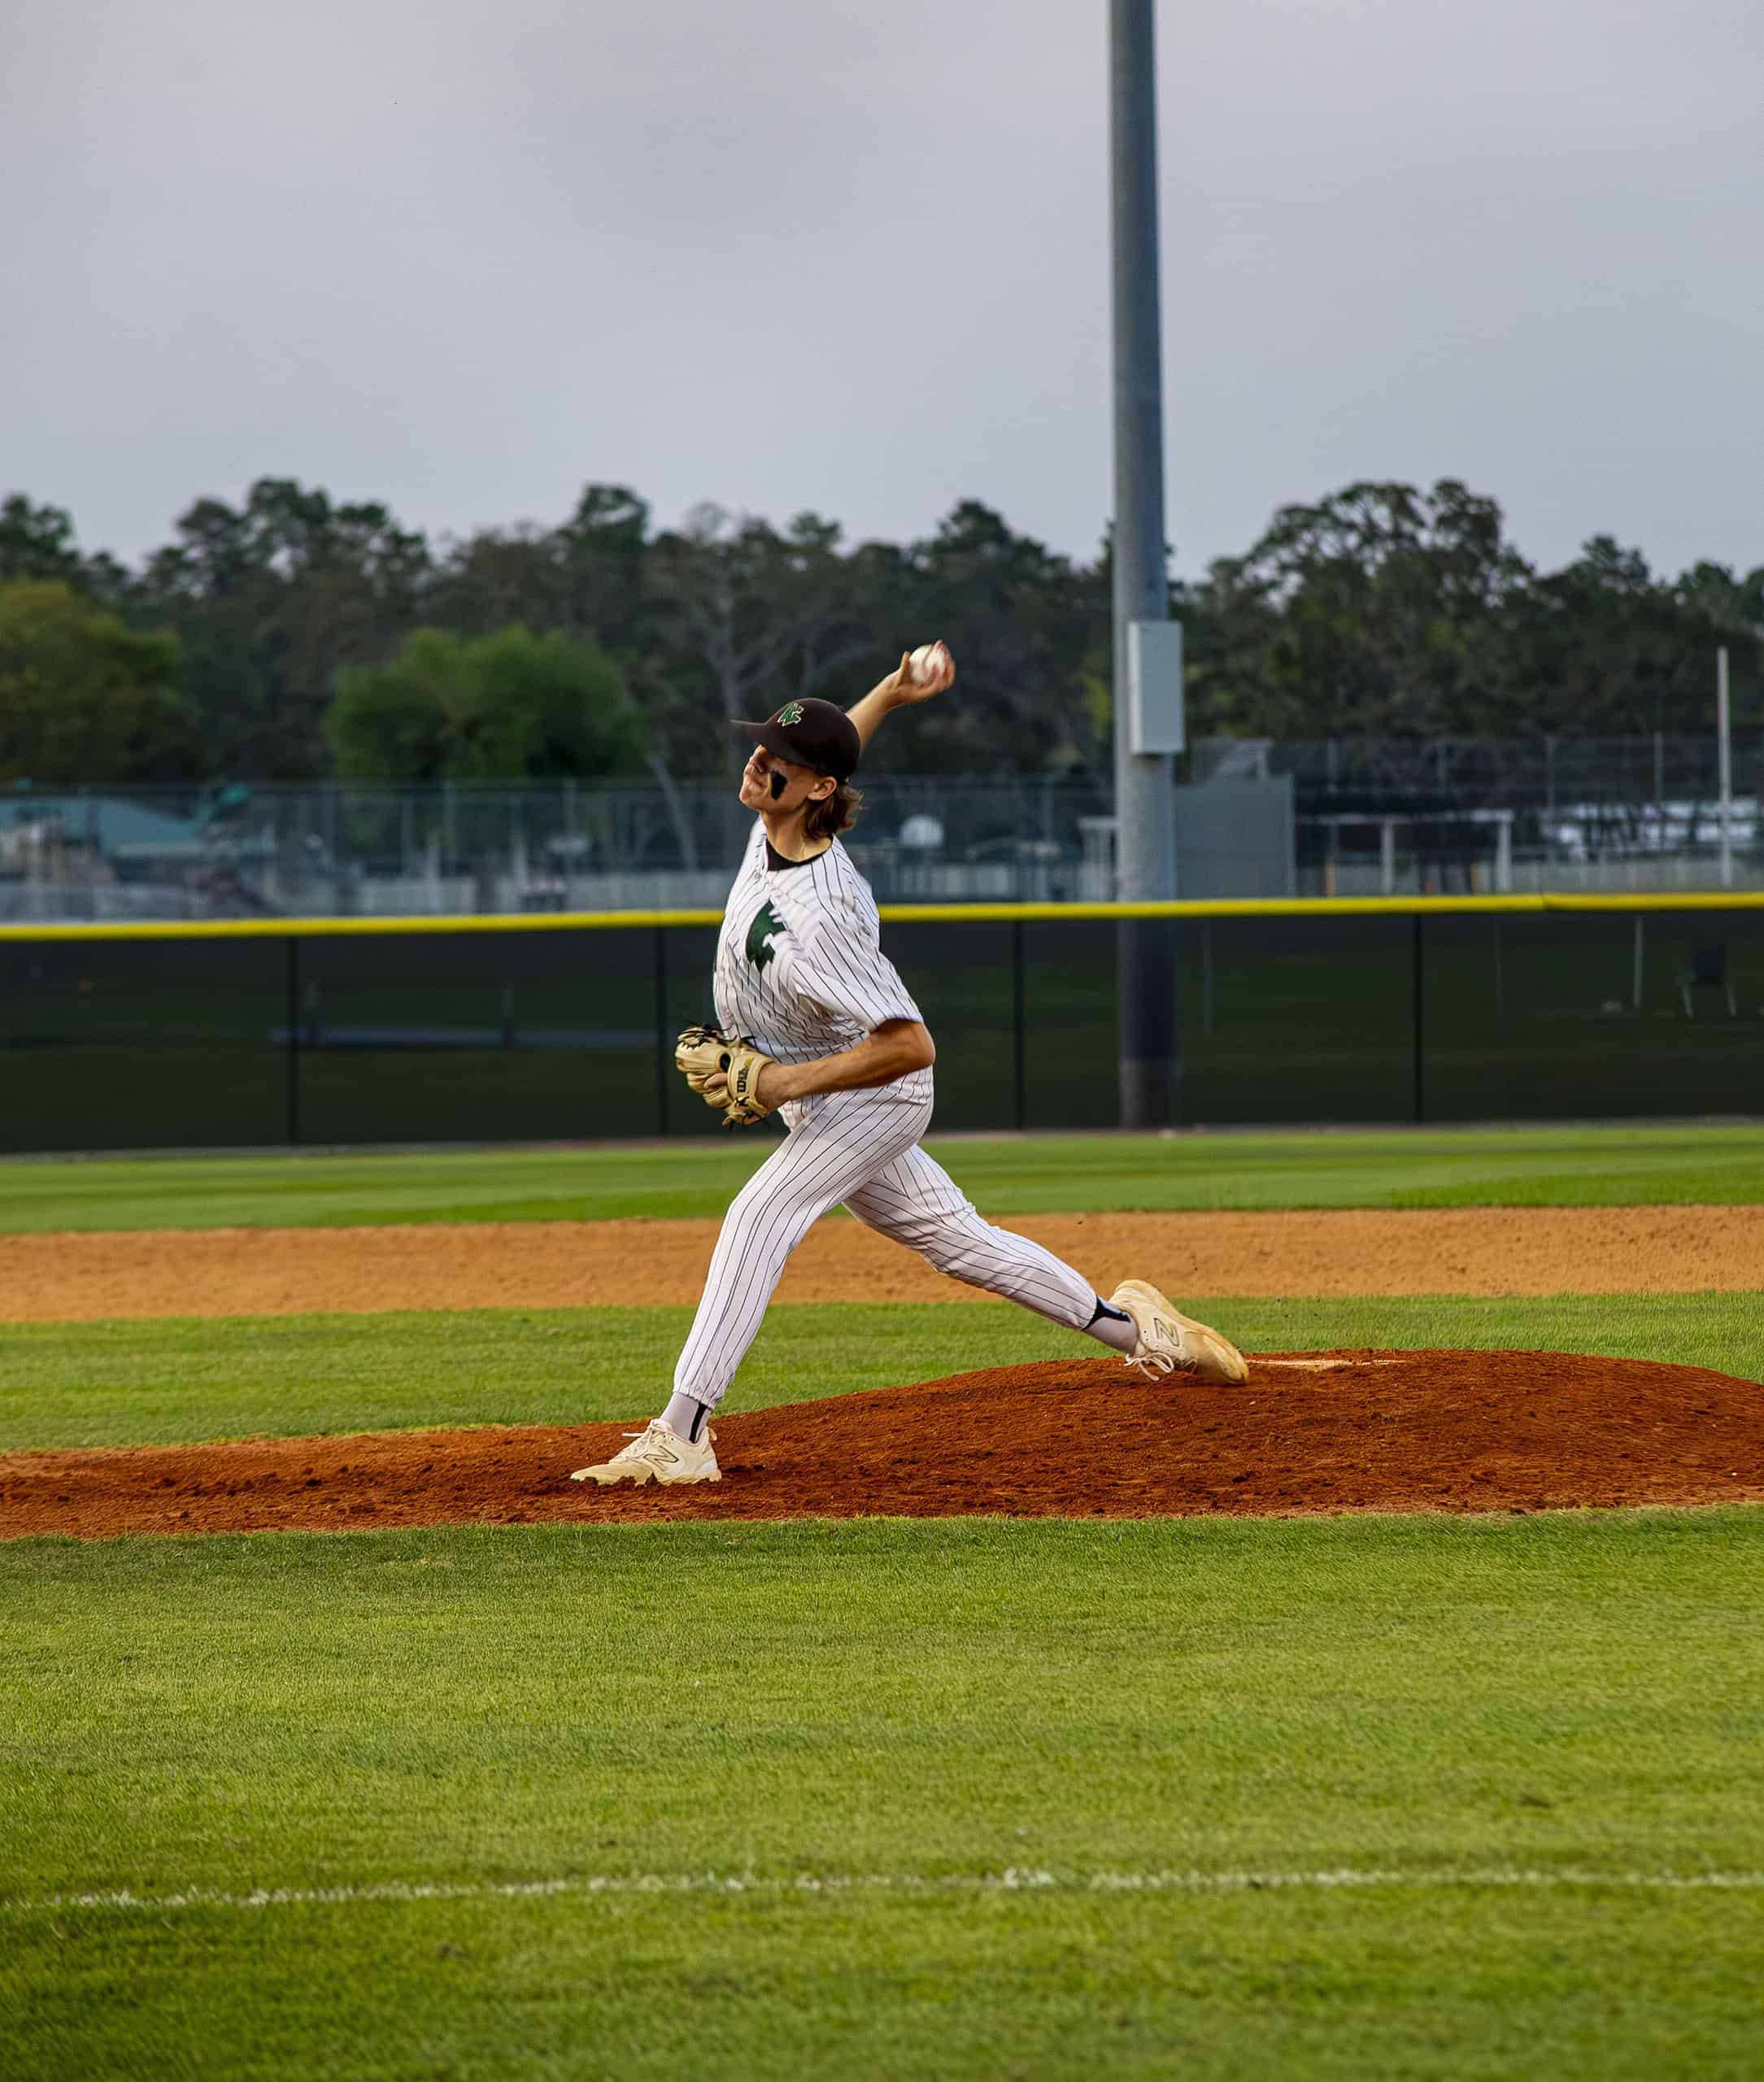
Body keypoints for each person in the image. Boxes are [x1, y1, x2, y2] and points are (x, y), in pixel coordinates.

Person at [573, 650, 1246, 1487]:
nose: (758, 762)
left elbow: (910, 1044)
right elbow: (837, 742)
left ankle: (683, 1433)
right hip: (827, 1087)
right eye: (760, 746)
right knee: (960, 1241)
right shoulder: (775, 821)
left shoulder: (825, 915)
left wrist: (779, 1082)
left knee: (758, 1216)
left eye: (777, 761)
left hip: (878, 1092)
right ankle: (1145, 1333)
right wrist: (891, 693)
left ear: (817, 789)